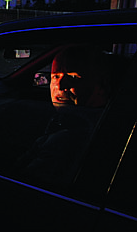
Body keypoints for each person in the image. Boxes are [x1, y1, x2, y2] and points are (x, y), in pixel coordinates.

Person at [18, 45, 113, 186]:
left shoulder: (67, 140)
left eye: (73, 77)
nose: (60, 86)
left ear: (100, 86)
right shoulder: (100, 119)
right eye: (55, 76)